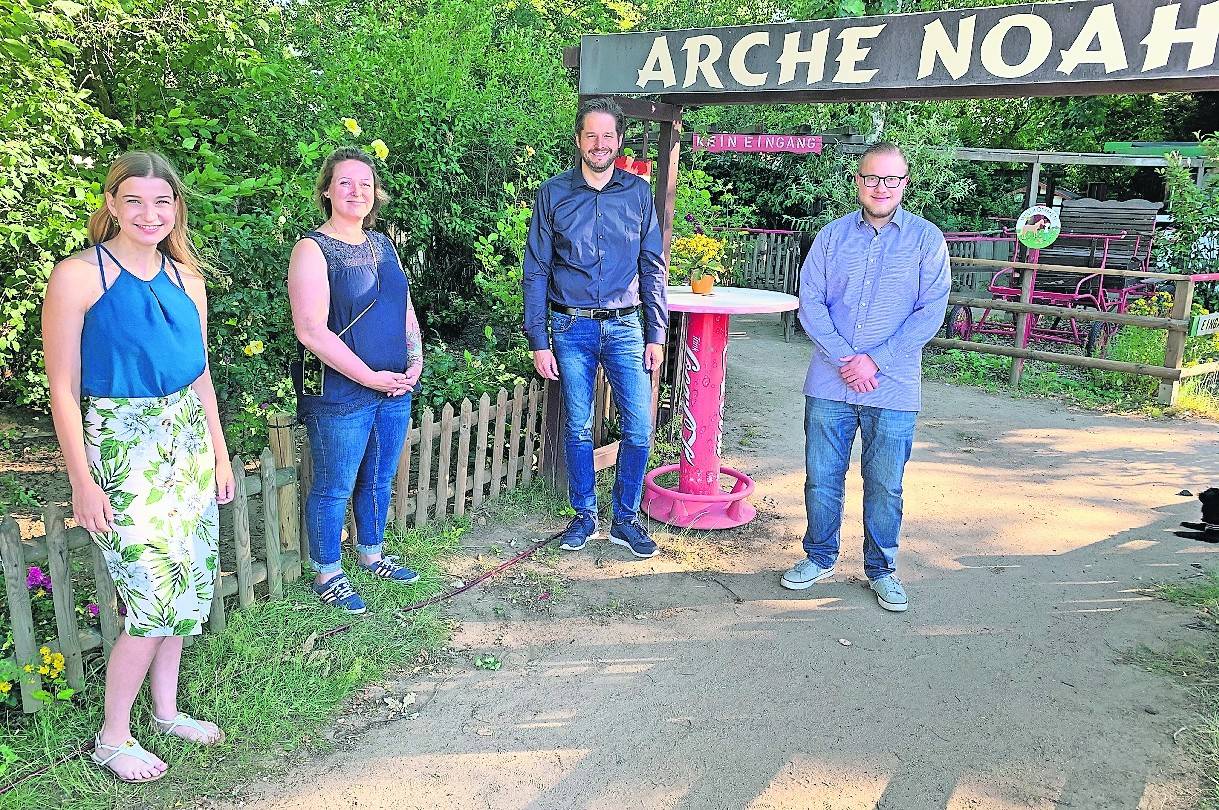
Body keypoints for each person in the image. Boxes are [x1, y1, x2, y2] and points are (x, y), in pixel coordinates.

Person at [43, 151, 233, 782]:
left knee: (185, 587)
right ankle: (112, 737)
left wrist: (219, 451)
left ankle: (167, 709)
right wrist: (82, 480)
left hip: (186, 441)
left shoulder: (188, 279)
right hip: (123, 445)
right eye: (134, 200)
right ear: (112, 204)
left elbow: (200, 375)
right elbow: (63, 389)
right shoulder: (78, 276)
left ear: (175, 207)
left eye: (161, 202)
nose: (149, 214)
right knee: (151, 596)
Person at [780, 143, 950, 612]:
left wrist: (875, 360)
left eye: (891, 180)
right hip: (830, 383)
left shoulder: (926, 240)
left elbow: (930, 311)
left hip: (893, 387)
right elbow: (809, 301)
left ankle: (882, 569)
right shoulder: (832, 237)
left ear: (905, 184)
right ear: (857, 181)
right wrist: (844, 357)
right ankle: (819, 557)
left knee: (885, 483)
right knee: (822, 477)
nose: (881, 187)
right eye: (872, 178)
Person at [522, 97, 668, 558]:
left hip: (626, 327)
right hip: (571, 329)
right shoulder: (554, 194)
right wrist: (538, 339)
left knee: (639, 428)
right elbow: (536, 269)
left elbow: (653, 265)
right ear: (579, 140)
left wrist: (656, 332)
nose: (599, 144)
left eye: (608, 136)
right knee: (580, 428)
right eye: (591, 135)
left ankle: (625, 519)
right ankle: (584, 516)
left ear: (619, 141)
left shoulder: (638, 194)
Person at [288, 147, 423, 613]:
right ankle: (328, 572)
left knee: (379, 479)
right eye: (345, 182)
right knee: (334, 486)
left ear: (376, 194)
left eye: (365, 184)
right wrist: (370, 378)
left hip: (394, 387)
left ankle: (372, 554)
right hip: (342, 392)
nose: (356, 191)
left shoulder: (384, 245)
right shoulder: (312, 249)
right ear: (327, 190)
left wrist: (415, 357)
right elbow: (311, 330)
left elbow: (403, 306)